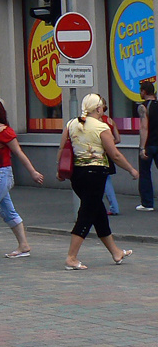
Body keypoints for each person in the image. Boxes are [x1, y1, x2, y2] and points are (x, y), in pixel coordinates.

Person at [60, 93, 138, 270]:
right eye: (102, 106)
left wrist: (61, 170)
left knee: (98, 213)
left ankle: (115, 252)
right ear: (97, 108)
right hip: (95, 174)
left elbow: (62, 147)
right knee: (87, 214)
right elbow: (115, 155)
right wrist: (131, 169)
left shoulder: (71, 124)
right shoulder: (101, 127)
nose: (103, 108)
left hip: (77, 175)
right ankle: (71, 257)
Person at [0, 96, 43, 259]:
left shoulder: (4, 131)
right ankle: (24, 245)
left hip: (1, 174)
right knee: (7, 212)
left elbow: (18, 153)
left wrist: (33, 172)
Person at [136, 80, 158, 211]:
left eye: (140, 91)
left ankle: (147, 203)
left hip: (149, 144)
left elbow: (144, 127)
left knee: (145, 173)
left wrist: (142, 147)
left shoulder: (143, 107)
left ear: (144, 92)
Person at [100, 98, 121, 215]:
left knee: (102, 181)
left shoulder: (96, 122)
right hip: (109, 153)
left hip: (99, 154)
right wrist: (110, 144)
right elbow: (118, 139)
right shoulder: (110, 120)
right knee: (107, 180)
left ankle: (112, 207)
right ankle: (114, 207)